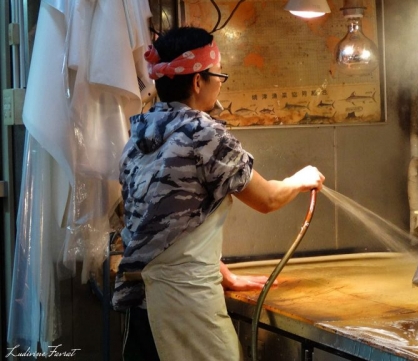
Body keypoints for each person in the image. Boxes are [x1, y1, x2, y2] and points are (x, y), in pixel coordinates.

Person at [112, 26, 325, 361]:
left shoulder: (139, 135)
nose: (220, 84)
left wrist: (221, 272)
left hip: (139, 310)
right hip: (185, 310)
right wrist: (300, 179)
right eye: (219, 75)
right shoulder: (204, 134)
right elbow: (267, 199)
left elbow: (156, 223)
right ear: (198, 81)